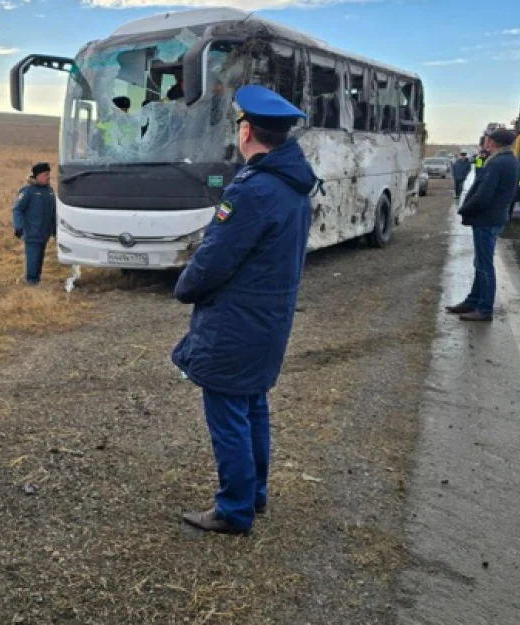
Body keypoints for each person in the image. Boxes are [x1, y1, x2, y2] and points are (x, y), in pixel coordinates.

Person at [172, 85, 316, 535]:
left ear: (248, 130)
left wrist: (185, 287)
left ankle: (234, 510)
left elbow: (214, 258)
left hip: (236, 324)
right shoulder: (294, 187)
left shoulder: (252, 190)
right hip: (269, 321)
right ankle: (254, 495)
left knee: (230, 415)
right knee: (252, 406)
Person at [448, 129, 520, 322]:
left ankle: (484, 309)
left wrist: (465, 209)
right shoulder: (511, 161)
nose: (486, 144)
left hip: (487, 219)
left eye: (488, 141)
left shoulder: (498, 163)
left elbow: (483, 195)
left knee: (484, 266)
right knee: (480, 263)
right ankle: (473, 301)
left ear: (493, 143)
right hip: (494, 217)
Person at [13, 162, 57, 285]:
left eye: (49, 174)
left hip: (45, 233)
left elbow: (53, 212)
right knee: (32, 260)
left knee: (39, 259)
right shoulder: (27, 191)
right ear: (37, 176)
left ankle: (36, 280)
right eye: (45, 174)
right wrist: (18, 227)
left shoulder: (50, 191)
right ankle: (31, 283)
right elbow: (17, 209)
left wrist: (55, 230)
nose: (48, 177)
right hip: (32, 233)